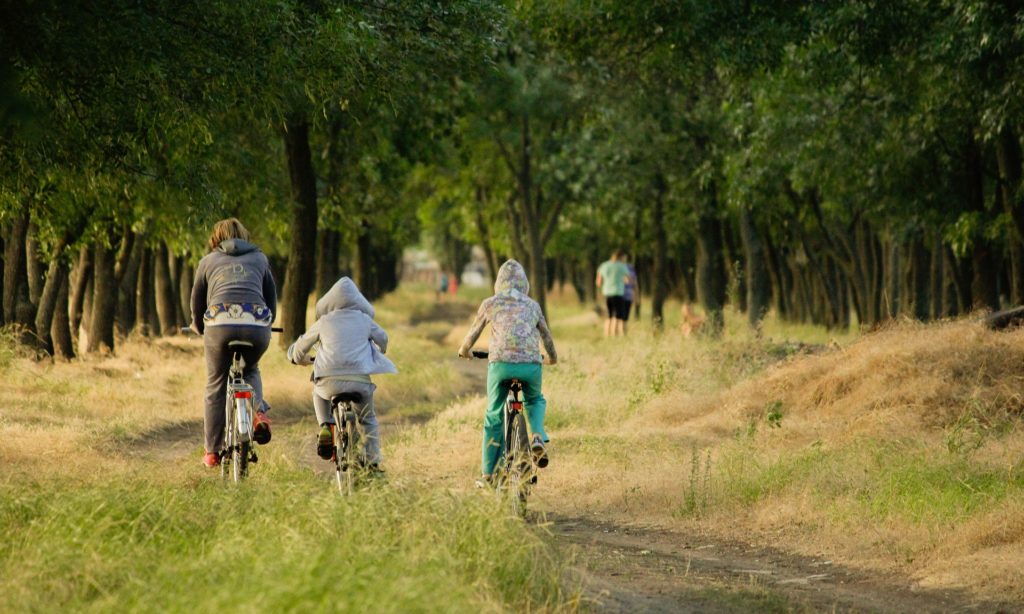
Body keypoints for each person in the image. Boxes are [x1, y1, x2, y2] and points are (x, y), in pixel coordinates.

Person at [458, 260, 558, 486]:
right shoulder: (533, 305)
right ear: (525, 284)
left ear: (498, 283)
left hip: (500, 366)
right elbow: (547, 338)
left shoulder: (490, 303)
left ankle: (488, 473)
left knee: (494, 413)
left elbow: (472, 334)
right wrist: (552, 358)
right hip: (531, 365)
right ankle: (537, 437)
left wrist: (465, 351)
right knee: (534, 399)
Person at [190, 218, 276, 468]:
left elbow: (197, 302)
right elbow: (271, 298)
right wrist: (267, 323)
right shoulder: (260, 259)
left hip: (219, 324)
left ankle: (213, 451)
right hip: (257, 324)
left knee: (216, 383)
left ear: (216, 238)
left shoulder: (207, 261)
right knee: (251, 369)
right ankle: (259, 413)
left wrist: (198, 326)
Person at [287, 277, 397, 471]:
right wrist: (380, 350)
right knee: (368, 419)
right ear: (359, 301)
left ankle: (325, 426)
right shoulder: (364, 319)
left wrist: (296, 357)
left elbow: (300, 349)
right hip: (359, 381)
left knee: (318, 393)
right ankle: (372, 461)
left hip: (328, 381)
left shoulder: (324, 321)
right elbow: (384, 340)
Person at [596, 249, 631, 337]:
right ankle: (614, 335)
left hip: (606, 293)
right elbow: (628, 280)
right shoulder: (622, 266)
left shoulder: (604, 265)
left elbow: (598, 282)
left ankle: (607, 335)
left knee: (609, 315)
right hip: (618, 293)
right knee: (617, 316)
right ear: (620, 257)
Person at [621, 252, 639, 334]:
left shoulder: (630, 268)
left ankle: (623, 334)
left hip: (628, 295)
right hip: (618, 295)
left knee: (625, 317)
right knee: (618, 317)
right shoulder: (615, 268)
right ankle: (618, 334)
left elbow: (634, 282)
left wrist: (636, 295)